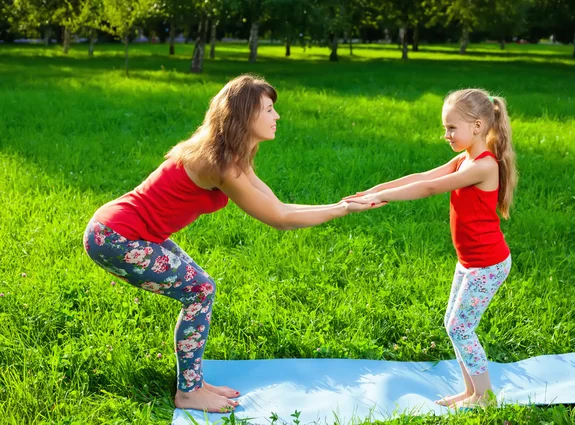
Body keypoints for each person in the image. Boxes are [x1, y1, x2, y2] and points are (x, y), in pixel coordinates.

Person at [83, 74, 383, 413]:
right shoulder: (220, 163)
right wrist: (342, 210)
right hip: (115, 238)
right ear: (245, 117)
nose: (277, 116)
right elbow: (279, 220)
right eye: (269, 109)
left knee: (201, 288)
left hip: (128, 232)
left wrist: (340, 205)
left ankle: (193, 383)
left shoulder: (231, 154)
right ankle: (189, 392)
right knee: (200, 290)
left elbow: (280, 205)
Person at [346, 88, 517, 408]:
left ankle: (485, 397)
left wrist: (381, 199)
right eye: (445, 128)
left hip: (488, 263)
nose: (446, 134)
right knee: (455, 327)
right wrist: (373, 190)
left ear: (477, 126)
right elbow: (422, 175)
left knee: (460, 328)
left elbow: (429, 187)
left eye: (452, 128)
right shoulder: (465, 159)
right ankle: (471, 393)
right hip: (470, 261)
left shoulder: (483, 166)